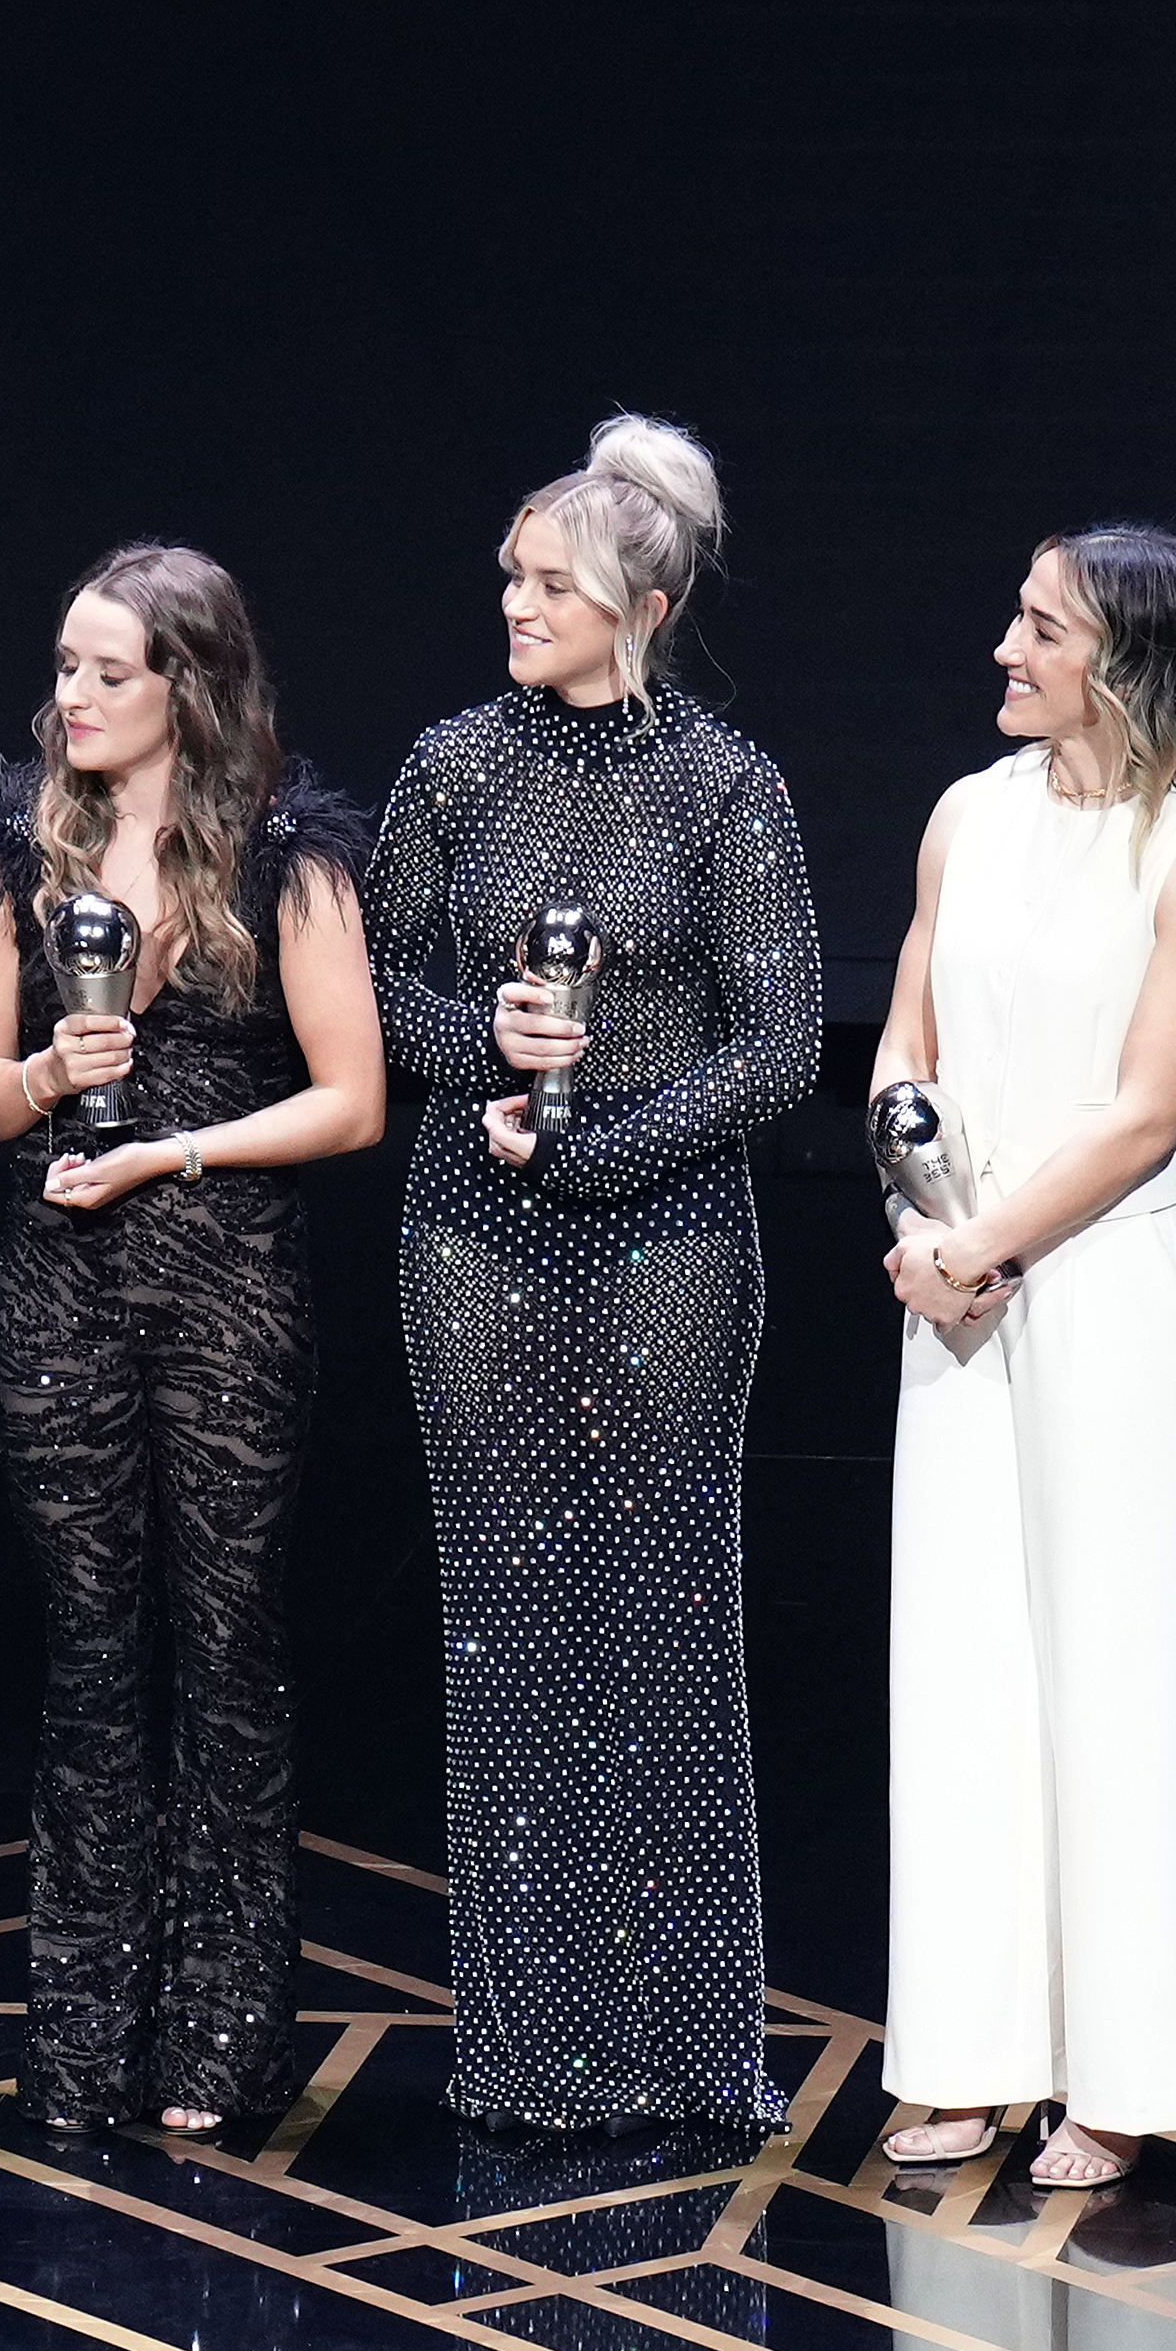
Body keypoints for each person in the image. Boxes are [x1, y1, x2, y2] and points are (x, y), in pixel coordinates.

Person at [368, 413, 826, 2139]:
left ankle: (695, 2048)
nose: (514, 602)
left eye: (547, 582)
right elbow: (375, 994)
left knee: (660, 1629)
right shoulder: (451, 767)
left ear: (638, 602)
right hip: (473, 1232)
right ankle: (529, 2047)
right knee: (507, 1635)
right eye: (508, 575)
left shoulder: (728, 783)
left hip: (666, 1240)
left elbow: (779, 1042)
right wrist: (479, 1045)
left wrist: (599, 1147)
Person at [0, 546, 384, 2140]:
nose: (71, 696)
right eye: (63, 666)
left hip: (229, 1289)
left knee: (230, 1649)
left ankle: (222, 2038)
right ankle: (82, 2031)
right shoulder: (13, 855)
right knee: (88, 1654)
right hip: (61, 1288)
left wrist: (175, 1151)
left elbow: (352, 1099)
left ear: (187, 686)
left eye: (106, 671)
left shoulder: (290, 858)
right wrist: (58, 1082)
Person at [867, 529, 1176, 2192]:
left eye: (1039, 628)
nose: (1005, 650)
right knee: (964, 1672)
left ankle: (1111, 2078)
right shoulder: (969, 813)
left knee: (1115, 1678)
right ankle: (965, 2055)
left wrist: (989, 1241)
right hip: (951, 1278)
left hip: (1103, 1289)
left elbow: (1145, 1108)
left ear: (1125, 659)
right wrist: (917, 1194)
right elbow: (907, 1036)